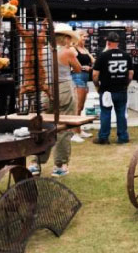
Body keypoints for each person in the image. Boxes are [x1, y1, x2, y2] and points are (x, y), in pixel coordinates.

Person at [31, 23, 81, 177]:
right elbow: (78, 69)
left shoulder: (43, 51)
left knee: (45, 127)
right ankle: (60, 165)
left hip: (46, 90)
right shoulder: (67, 52)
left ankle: (36, 163)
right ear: (65, 38)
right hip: (64, 88)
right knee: (64, 127)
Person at [92, 32, 133, 144]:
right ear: (118, 43)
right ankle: (123, 137)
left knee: (105, 113)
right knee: (121, 113)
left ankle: (104, 138)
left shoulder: (102, 56)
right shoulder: (126, 55)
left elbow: (95, 75)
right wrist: (126, 85)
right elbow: (130, 75)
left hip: (106, 90)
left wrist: (97, 87)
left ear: (108, 42)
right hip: (121, 90)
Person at [71, 30, 94, 140]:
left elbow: (93, 61)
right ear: (78, 37)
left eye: (86, 37)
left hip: (84, 77)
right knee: (78, 106)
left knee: (81, 106)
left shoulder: (84, 49)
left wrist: (89, 67)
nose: (85, 38)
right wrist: (82, 67)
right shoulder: (73, 49)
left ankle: (79, 130)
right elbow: (71, 63)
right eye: (83, 36)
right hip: (77, 77)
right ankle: (74, 133)